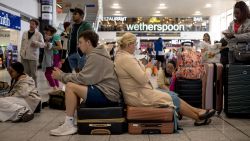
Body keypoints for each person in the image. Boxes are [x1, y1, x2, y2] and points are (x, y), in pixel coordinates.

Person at [114, 32, 216, 131]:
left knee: (171, 94)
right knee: (171, 98)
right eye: (135, 44)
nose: (136, 47)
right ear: (129, 44)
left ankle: (199, 112)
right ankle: (198, 117)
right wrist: (149, 68)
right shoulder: (126, 59)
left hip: (140, 92)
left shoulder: (123, 56)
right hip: (139, 95)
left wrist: (145, 68)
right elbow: (143, 79)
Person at [50, 30, 121, 136]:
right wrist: (64, 75)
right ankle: (70, 121)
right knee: (74, 85)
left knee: (70, 86)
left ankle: (69, 124)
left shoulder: (95, 56)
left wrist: (61, 76)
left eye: (80, 42)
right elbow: (85, 77)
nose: (78, 45)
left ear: (88, 43)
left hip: (107, 94)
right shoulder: (96, 54)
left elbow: (83, 79)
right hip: (105, 91)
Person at [67, 7, 93, 73]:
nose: (73, 15)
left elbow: (92, 37)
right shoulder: (72, 26)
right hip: (71, 52)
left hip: (81, 53)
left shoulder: (86, 25)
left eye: (75, 14)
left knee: (83, 72)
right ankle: (78, 83)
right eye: (73, 14)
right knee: (77, 73)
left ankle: (83, 83)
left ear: (81, 16)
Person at [20, 19, 45, 87]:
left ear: (36, 26)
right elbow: (22, 44)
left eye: (33, 24)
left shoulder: (39, 34)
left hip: (33, 57)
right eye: (30, 23)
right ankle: (27, 87)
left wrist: (37, 43)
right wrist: (21, 53)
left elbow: (43, 45)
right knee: (25, 73)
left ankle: (34, 88)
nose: (31, 25)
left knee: (33, 74)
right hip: (24, 56)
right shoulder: (25, 33)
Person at [43, 25, 63, 94]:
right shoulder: (51, 37)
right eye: (45, 32)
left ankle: (55, 87)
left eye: (46, 32)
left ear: (50, 30)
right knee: (53, 73)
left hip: (54, 56)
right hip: (51, 56)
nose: (46, 33)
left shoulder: (55, 36)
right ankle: (57, 88)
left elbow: (60, 47)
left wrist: (51, 46)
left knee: (48, 73)